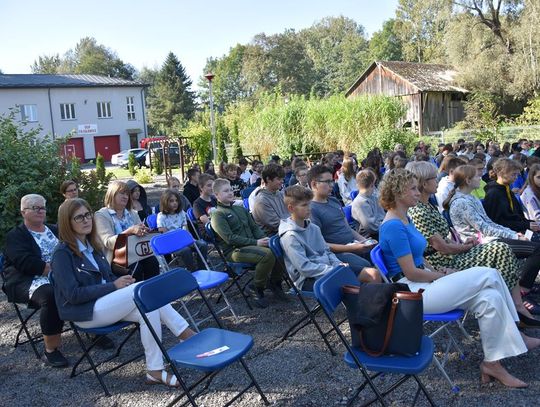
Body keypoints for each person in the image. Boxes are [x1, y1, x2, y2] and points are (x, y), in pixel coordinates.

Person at [378, 168, 540, 389]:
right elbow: (410, 273)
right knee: (490, 275)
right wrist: (442, 275)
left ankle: (492, 363)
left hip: (423, 283)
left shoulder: (404, 219)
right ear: (398, 193)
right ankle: (516, 332)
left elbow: (419, 259)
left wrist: (438, 270)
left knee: (489, 297)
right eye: (413, 189)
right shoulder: (393, 226)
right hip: (411, 292)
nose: (417, 193)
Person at [51, 198, 195, 387]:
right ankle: (188, 336)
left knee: (149, 308)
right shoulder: (62, 254)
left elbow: (107, 277)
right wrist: (114, 286)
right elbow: (73, 295)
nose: (86, 220)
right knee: (143, 291)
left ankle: (155, 371)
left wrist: (122, 281)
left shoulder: (92, 246)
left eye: (88, 215)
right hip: (84, 311)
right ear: (67, 223)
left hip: (106, 303)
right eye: (79, 217)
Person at [406, 161, 540, 324]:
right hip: (444, 261)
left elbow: (446, 239)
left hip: (450, 254)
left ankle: (514, 306)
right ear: (423, 183)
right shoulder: (419, 210)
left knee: (502, 250)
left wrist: (464, 245)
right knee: (501, 249)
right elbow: (440, 247)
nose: (439, 180)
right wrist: (464, 247)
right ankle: (516, 306)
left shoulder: (429, 205)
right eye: (434, 178)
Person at [446, 165, 540, 317]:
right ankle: (523, 291)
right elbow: (484, 228)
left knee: (534, 246)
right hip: (478, 245)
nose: (481, 178)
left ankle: (520, 291)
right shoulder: (462, 202)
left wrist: (513, 233)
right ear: (468, 181)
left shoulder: (470, 198)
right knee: (536, 249)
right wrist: (515, 236)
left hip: (487, 239)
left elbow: (489, 223)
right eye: (477, 176)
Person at [3, 194, 67, 367]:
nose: (40, 211)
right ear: (23, 212)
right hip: (28, 280)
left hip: (60, 274)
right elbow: (26, 264)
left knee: (87, 280)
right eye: (35, 207)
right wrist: (60, 271)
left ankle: (95, 330)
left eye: (43, 207)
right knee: (52, 295)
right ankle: (50, 351)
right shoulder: (16, 236)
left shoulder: (54, 230)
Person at [279, 185, 378, 290]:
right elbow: (305, 268)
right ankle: (363, 303)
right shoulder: (290, 236)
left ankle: (371, 303)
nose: (309, 208)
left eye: (309, 204)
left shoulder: (313, 228)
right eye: (304, 205)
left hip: (328, 269)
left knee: (373, 274)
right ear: (291, 208)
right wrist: (333, 269)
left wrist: (338, 264)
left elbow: (327, 251)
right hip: (309, 279)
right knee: (357, 285)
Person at [210, 178, 283, 308]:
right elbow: (230, 238)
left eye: (231, 189)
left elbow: (254, 227)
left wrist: (264, 239)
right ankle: (256, 286)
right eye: (226, 191)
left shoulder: (240, 209)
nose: (230, 192)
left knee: (278, 248)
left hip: (251, 245)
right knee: (267, 255)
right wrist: (256, 242)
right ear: (216, 195)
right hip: (234, 251)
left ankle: (275, 282)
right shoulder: (218, 215)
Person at [307, 165, 379, 281]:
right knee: (370, 269)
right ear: (314, 184)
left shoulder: (334, 200)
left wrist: (364, 241)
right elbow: (321, 245)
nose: (332, 185)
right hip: (338, 254)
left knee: (383, 253)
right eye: (327, 182)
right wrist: (353, 248)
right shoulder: (311, 210)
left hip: (354, 245)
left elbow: (347, 228)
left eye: (332, 181)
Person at [94, 181, 159, 281]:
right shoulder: (101, 215)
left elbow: (141, 231)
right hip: (116, 259)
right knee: (136, 268)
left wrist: (144, 231)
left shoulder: (132, 213)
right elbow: (108, 242)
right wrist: (130, 231)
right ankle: (136, 295)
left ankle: (153, 294)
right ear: (112, 194)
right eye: (121, 193)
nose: (125, 197)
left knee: (152, 262)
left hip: (137, 252)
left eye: (127, 194)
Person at [483, 158, 540, 239]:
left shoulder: (506, 189)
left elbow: (516, 216)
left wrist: (531, 223)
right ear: (501, 173)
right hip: (505, 235)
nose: (516, 177)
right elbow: (496, 223)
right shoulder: (493, 194)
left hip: (517, 230)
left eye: (517, 174)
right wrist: (526, 225)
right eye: (513, 174)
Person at [156, 189, 208, 271]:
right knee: (186, 250)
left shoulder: (181, 213)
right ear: (165, 202)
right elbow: (164, 234)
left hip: (184, 239)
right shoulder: (161, 216)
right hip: (172, 243)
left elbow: (185, 228)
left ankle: (202, 268)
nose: (175, 203)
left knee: (203, 244)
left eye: (176, 200)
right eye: (171, 201)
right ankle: (193, 271)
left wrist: (188, 238)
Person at [251, 163, 288, 236]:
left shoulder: (280, 194)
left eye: (282, 179)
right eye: (278, 179)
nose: (282, 181)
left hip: (286, 228)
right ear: (268, 179)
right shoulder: (261, 201)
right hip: (273, 235)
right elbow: (275, 225)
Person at [351, 169, 385, 240]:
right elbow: (371, 228)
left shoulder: (374, 198)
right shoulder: (359, 203)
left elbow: (382, 216)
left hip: (381, 231)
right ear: (372, 184)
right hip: (369, 237)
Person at [192, 173, 217, 237]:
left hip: (218, 226)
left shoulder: (215, 199)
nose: (212, 188)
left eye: (213, 185)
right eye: (209, 185)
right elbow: (207, 222)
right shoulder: (197, 204)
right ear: (201, 187)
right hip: (208, 232)